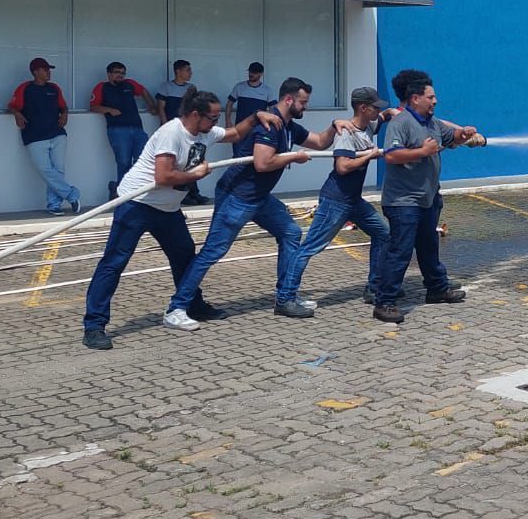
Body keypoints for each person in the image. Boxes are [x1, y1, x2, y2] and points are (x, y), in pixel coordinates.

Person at [80, 89, 283, 350]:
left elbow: (235, 133)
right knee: (114, 262)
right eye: (212, 117)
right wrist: (197, 174)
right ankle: (94, 325)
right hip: (137, 205)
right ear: (195, 115)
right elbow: (163, 177)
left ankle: (193, 305)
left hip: (168, 209)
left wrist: (256, 116)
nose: (216, 122)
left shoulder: (205, 132)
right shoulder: (171, 133)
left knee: (185, 256)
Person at [164, 77, 347, 328]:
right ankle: (177, 308)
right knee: (213, 251)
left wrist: (334, 125)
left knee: (291, 232)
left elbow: (319, 142)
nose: (306, 107)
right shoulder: (269, 125)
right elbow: (263, 163)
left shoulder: (289, 126)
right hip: (237, 196)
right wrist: (293, 157)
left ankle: (285, 298)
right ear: (289, 99)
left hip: (260, 198)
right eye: (303, 102)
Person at [372, 69, 484, 324]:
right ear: (414, 99)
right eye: (430, 97)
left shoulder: (432, 122)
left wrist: (462, 133)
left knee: (429, 247)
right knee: (400, 251)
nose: (435, 101)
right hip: (403, 201)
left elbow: (449, 137)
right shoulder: (401, 123)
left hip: (428, 198)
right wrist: (422, 151)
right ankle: (385, 301)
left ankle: (436, 289)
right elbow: (390, 155)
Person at [277, 86, 395, 311]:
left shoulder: (369, 124)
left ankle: (374, 287)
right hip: (335, 200)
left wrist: (394, 113)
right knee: (310, 247)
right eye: (374, 107)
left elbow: (384, 117)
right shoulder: (346, 134)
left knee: (384, 234)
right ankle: (285, 298)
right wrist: (369, 156)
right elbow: (342, 167)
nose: (378, 111)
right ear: (363, 108)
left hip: (354, 201)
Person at [8, 57, 79, 216]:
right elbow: (12, 106)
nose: (48, 72)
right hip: (34, 135)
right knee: (45, 170)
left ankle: (54, 205)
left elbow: (63, 106)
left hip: (57, 133)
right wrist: (17, 114)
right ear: (35, 72)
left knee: (58, 170)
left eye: (49, 69)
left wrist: (65, 114)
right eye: (45, 69)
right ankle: (71, 194)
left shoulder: (54, 88)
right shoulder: (25, 88)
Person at [89, 62, 159, 202]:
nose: (120, 75)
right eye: (116, 72)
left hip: (137, 128)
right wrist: (109, 110)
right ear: (109, 74)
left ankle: (138, 192)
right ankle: (122, 193)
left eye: (122, 73)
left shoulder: (129, 84)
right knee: (124, 162)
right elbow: (93, 106)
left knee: (143, 160)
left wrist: (151, 106)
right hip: (117, 129)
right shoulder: (102, 87)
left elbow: (143, 91)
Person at [156, 60, 207, 206]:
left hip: (188, 130)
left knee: (192, 160)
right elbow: (161, 107)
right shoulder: (166, 87)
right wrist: (165, 124)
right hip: (173, 130)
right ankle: (182, 194)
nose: (190, 73)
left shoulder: (191, 88)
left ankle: (194, 192)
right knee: (177, 163)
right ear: (178, 71)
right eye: (187, 70)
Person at [225, 62, 272, 156]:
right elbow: (229, 104)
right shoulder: (239, 87)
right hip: (240, 129)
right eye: (250, 71)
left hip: (258, 130)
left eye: (254, 72)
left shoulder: (267, 90)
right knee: (238, 156)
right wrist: (228, 121)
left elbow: (272, 109)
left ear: (261, 74)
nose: (251, 74)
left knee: (255, 157)